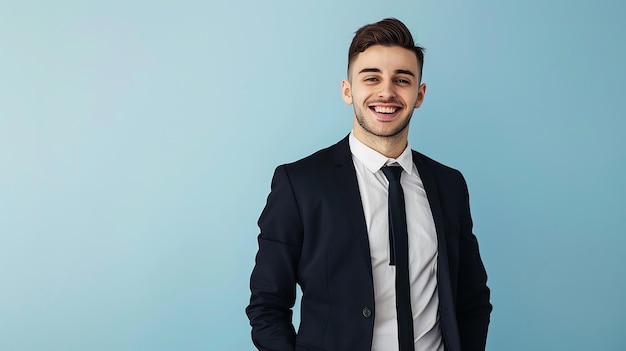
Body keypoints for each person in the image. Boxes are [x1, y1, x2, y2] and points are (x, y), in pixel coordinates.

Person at [246, 18, 492, 351]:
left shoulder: (449, 185)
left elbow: (471, 298)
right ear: (348, 90)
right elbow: (267, 306)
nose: (387, 92)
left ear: (419, 94)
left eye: (401, 80)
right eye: (371, 77)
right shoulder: (300, 184)